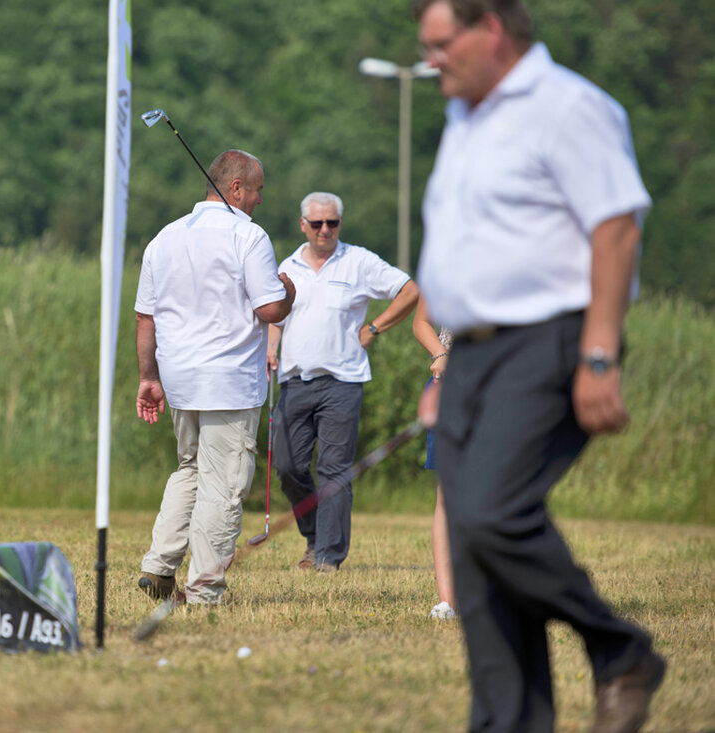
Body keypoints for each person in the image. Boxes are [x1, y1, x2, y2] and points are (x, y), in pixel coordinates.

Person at [413, 1, 665, 730]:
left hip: (549, 340)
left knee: (493, 511)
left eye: (440, 45)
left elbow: (616, 229)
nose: (432, 61)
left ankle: (620, 650)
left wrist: (598, 354)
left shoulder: (570, 108)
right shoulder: (468, 117)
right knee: (470, 544)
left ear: (488, 29)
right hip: (468, 354)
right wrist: (446, 373)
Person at [134, 149, 295, 605]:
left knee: (190, 470)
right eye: (258, 190)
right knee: (222, 483)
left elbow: (146, 318)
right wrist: (290, 293)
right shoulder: (249, 236)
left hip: (181, 378)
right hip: (229, 380)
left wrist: (149, 377)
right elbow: (268, 309)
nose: (260, 200)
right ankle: (205, 590)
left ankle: (159, 566)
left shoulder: (163, 237)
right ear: (237, 189)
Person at [266, 192, 418, 572]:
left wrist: (375, 327)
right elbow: (275, 317)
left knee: (334, 470)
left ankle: (327, 558)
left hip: (343, 381)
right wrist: (271, 347)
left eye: (332, 223)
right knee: (288, 465)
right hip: (294, 379)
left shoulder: (359, 261)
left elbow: (410, 290)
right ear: (303, 225)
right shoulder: (287, 267)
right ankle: (315, 534)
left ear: (340, 224)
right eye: (316, 223)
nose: (324, 230)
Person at [411, 298, 456, 620]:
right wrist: (441, 353)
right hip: (450, 385)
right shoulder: (448, 252)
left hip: (507, 385)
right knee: (448, 498)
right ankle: (449, 601)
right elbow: (421, 321)